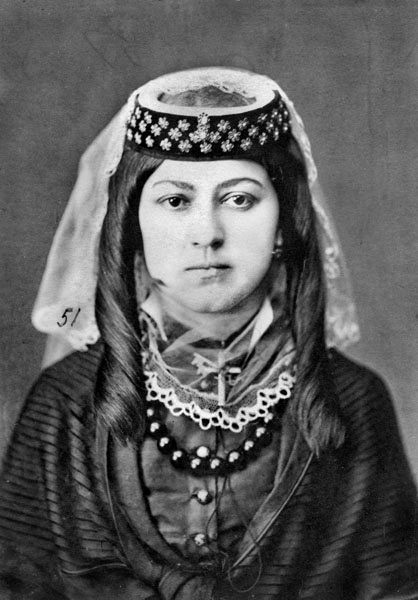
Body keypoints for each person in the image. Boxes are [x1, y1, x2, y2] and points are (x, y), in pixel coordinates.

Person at [0, 67, 417, 600]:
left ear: (285, 222)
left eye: (239, 199)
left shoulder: (354, 400)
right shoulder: (66, 401)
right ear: (133, 224)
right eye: (176, 201)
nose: (207, 234)